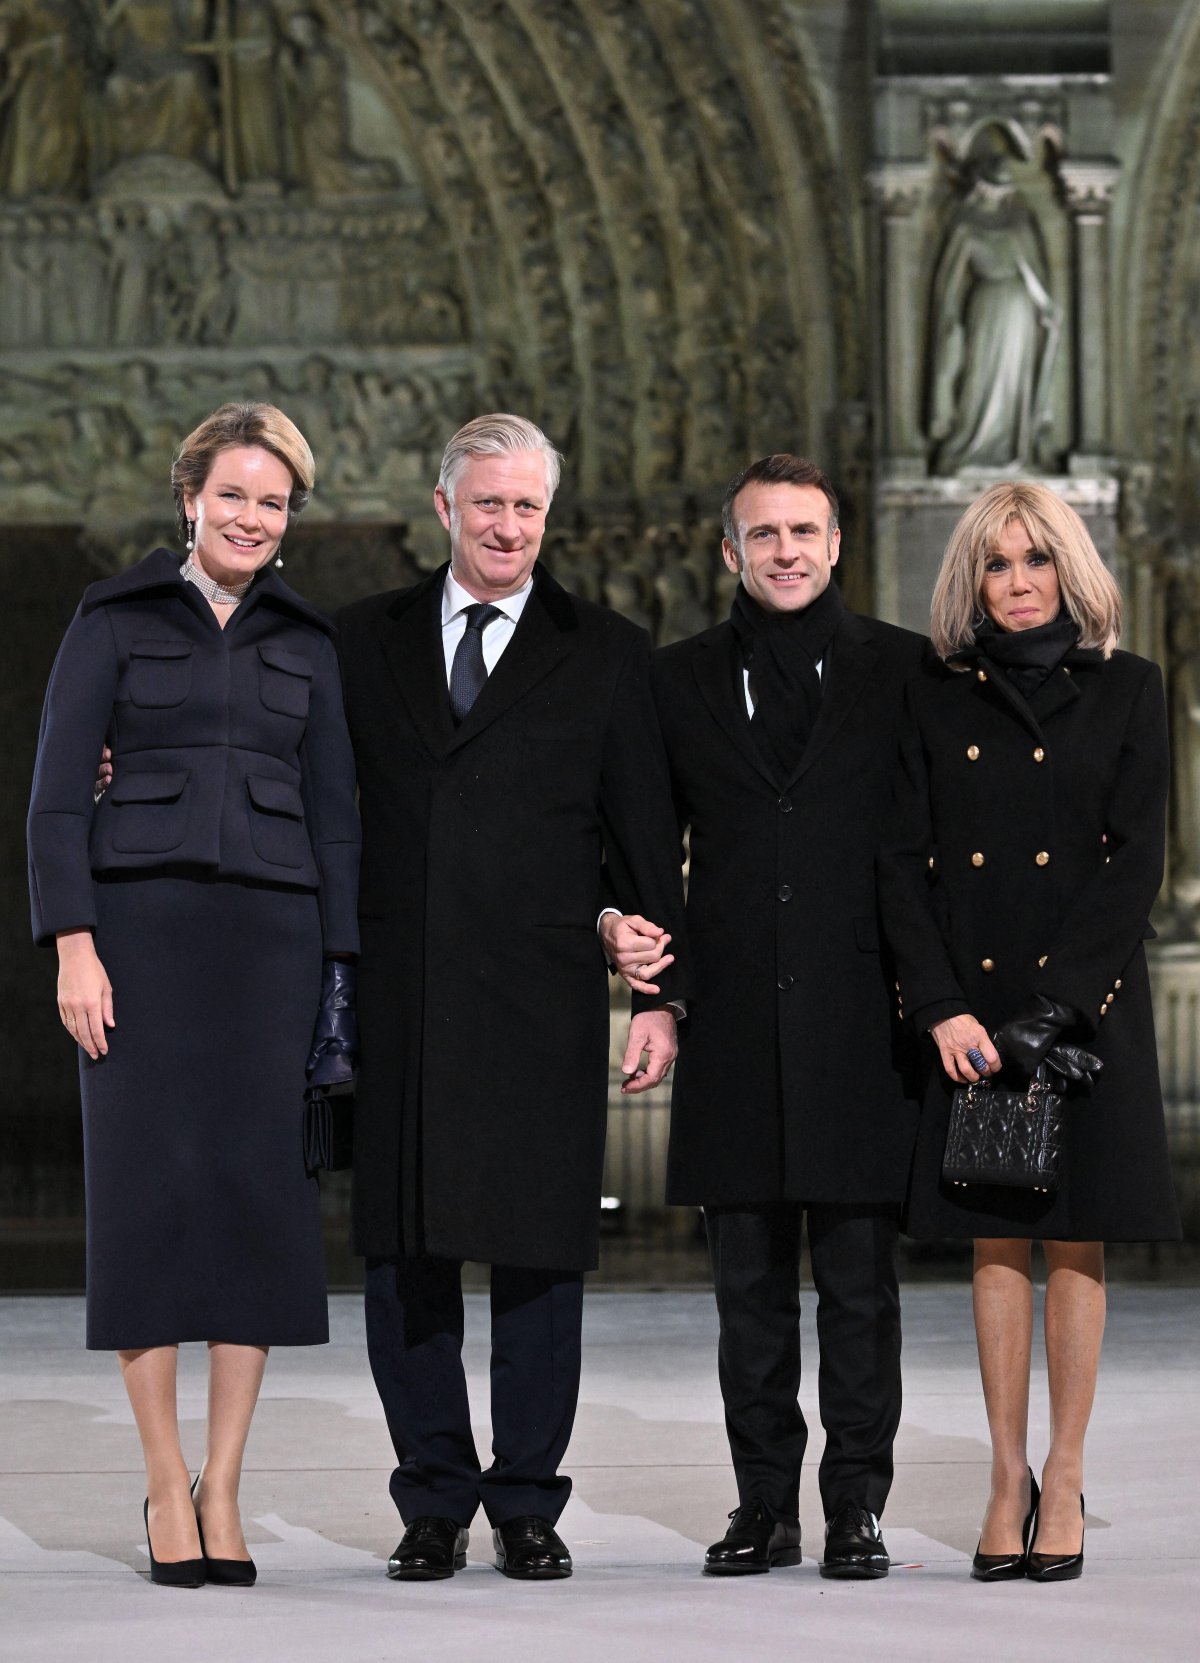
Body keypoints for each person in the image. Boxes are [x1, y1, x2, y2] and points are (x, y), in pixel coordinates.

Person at [336, 413, 689, 1582]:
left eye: (527, 507)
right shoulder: (358, 641)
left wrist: (658, 998)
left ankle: (529, 1501)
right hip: (400, 994)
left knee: (541, 1258)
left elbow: (643, 836)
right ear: (444, 509)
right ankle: (433, 1498)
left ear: (550, 515)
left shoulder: (608, 649)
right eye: (486, 504)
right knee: (404, 1258)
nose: (507, 526)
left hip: (540, 996)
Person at [27, 402, 360, 1587]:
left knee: (257, 1210)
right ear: (189, 497)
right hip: (137, 942)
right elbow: (59, 792)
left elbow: (338, 820)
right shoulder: (111, 619)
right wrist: (74, 942)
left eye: (273, 502)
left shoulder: (311, 642)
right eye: (233, 495)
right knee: (148, 1205)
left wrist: (341, 975)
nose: (252, 518)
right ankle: (164, 1481)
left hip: (272, 945)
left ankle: (226, 1483)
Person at [603, 454, 928, 1578]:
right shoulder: (677, 678)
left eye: (805, 530)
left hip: (860, 1027)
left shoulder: (904, 669)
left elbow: (926, 846)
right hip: (733, 1023)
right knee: (746, 1295)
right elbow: (648, 846)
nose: (786, 549)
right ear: (728, 550)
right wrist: (655, 989)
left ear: (836, 544)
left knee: (858, 1289)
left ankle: (855, 1509)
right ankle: (763, 1508)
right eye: (763, 533)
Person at [878, 481, 1181, 1581]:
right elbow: (899, 861)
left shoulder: (1130, 690)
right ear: (972, 578)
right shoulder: (933, 696)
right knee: (996, 1238)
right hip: (971, 1005)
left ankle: (1064, 1471)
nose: (1017, 581)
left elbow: (1132, 861)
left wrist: (1057, 1009)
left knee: (1076, 1236)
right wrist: (943, 1002)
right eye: (998, 563)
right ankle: (1004, 1475)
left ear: (1071, 570)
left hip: (1082, 1008)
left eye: (1036, 559)